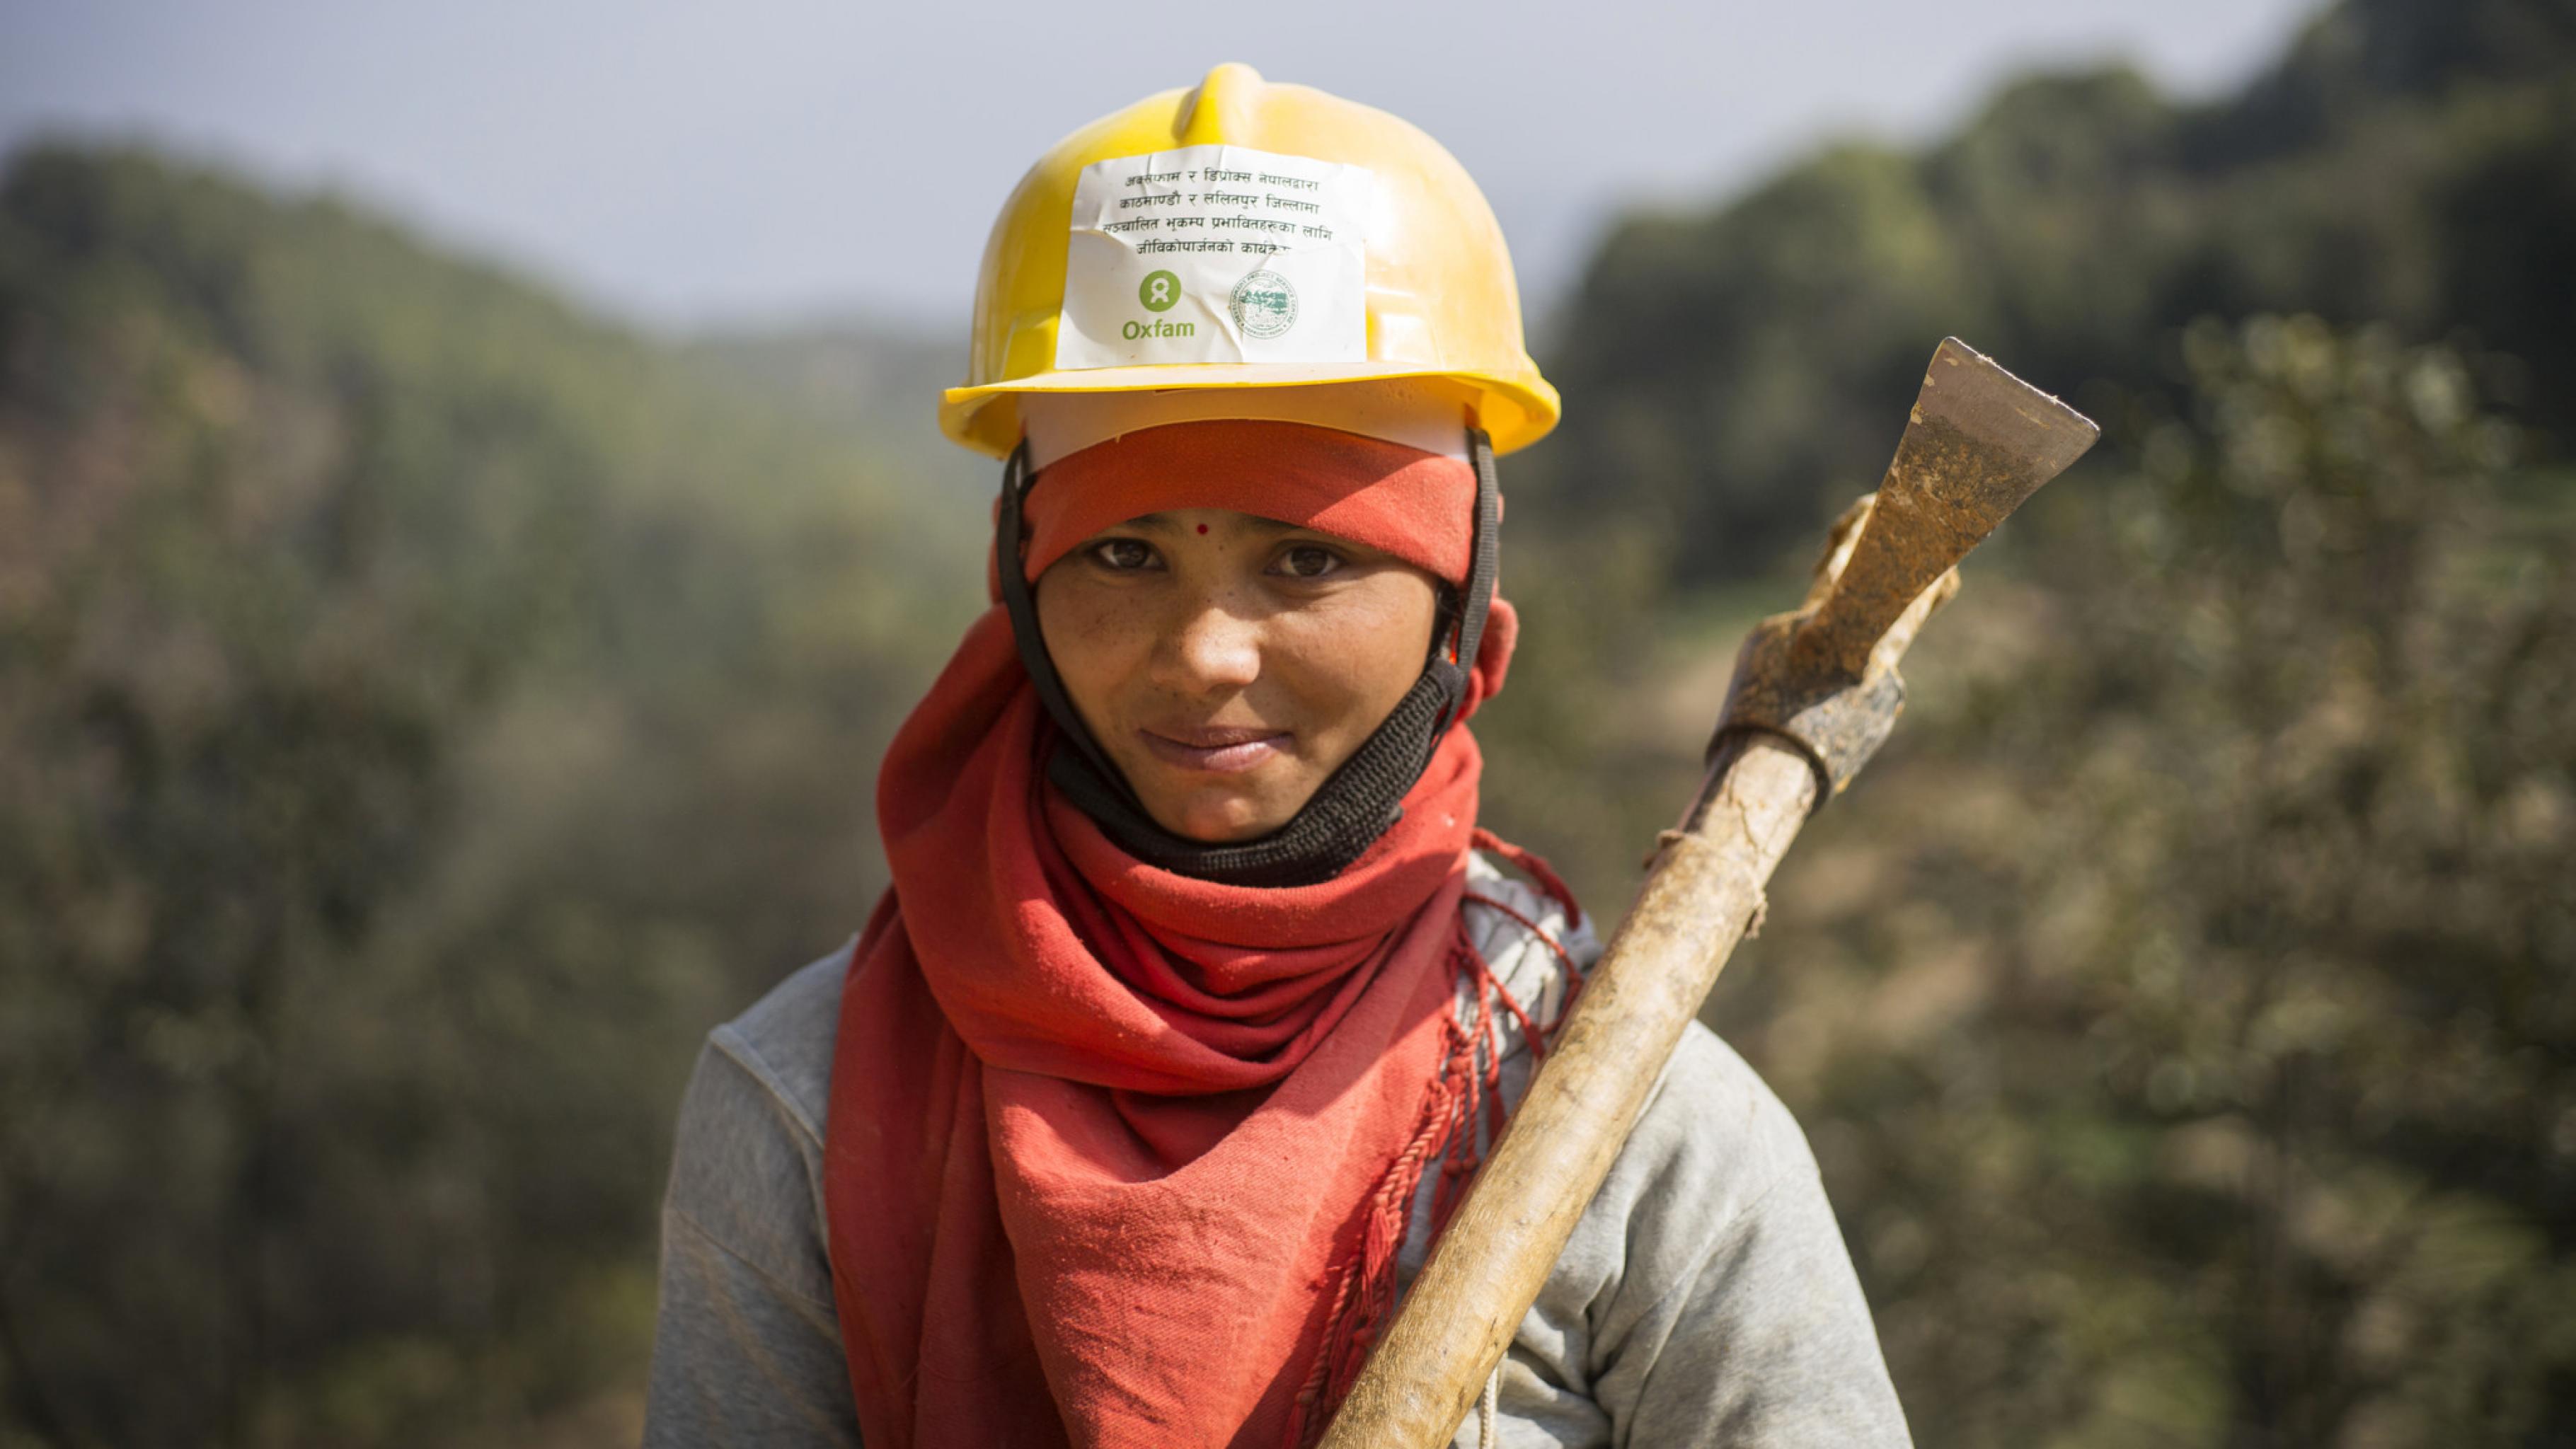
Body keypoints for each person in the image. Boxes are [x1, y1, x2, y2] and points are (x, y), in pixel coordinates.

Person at [643, 64, 1911, 1449]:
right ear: (1017, 571)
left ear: (1455, 589)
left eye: (1304, 559)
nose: (1203, 655)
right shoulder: (808, 1105)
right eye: (1121, 553)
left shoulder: (1634, 1128)